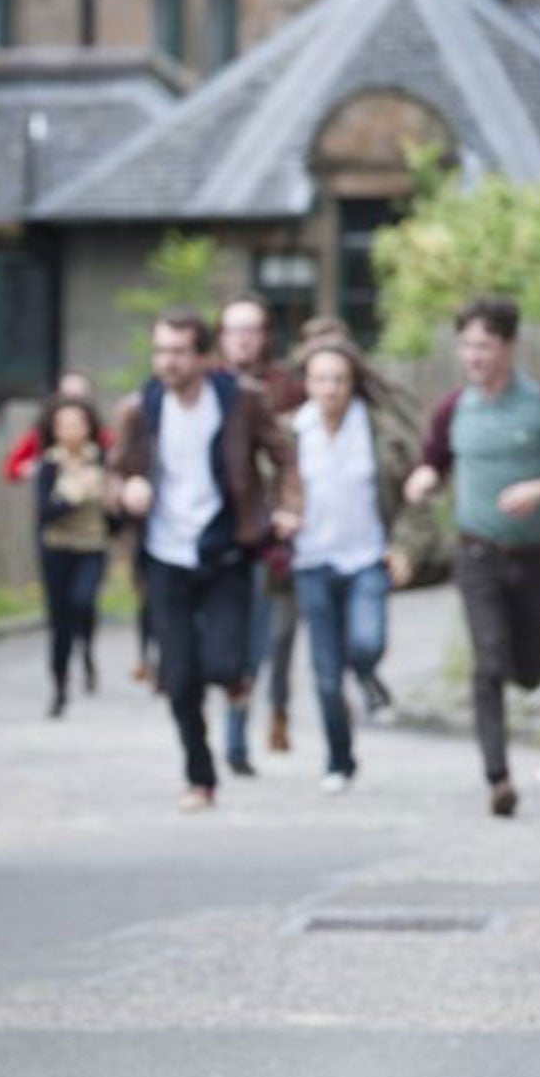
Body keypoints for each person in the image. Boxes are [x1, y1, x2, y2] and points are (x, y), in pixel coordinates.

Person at [113, 308, 300, 810]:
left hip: (227, 551)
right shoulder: (141, 407)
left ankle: (236, 679)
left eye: (177, 352)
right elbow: (114, 472)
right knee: (179, 678)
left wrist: (287, 508)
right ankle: (201, 777)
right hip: (165, 556)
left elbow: (285, 455)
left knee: (222, 663)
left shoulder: (240, 400)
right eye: (160, 351)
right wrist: (126, 487)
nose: (166, 362)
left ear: (202, 356)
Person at [402, 296, 540, 817]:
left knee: (529, 668)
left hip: (534, 555)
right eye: (466, 345)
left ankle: (527, 673)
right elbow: (434, 462)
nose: (473, 356)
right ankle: (498, 777)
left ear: (508, 346)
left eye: (484, 346)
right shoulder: (453, 409)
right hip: (476, 553)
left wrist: (539, 490)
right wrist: (422, 480)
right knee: (489, 660)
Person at [288, 337, 423, 792]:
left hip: (366, 557)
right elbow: (269, 491)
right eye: (321, 379)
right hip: (312, 562)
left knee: (366, 642)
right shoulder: (290, 434)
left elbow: (412, 496)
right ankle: (339, 758)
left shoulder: (379, 430)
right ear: (306, 384)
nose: (330, 388)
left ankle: (365, 675)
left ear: (353, 384)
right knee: (326, 679)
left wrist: (403, 545)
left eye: (339, 379)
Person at [213, 294, 305, 776]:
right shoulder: (206, 388)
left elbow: (300, 461)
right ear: (221, 336)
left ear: (264, 335)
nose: (243, 338)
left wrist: (292, 508)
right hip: (222, 535)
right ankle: (235, 734)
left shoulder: (288, 390)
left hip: (276, 537)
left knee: (277, 632)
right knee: (235, 638)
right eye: (234, 329)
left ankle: (276, 711)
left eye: (251, 329)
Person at [34, 393, 111, 715]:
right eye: (63, 424)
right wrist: (73, 494)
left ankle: (88, 652)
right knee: (59, 620)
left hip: (92, 546)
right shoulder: (49, 465)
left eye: (77, 422)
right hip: (57, 548)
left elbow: (115, 515)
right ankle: (60, 686)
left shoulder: (102, 461)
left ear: (89, 426)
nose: (71, 429)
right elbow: (44, 513)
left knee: (83, 602)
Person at [0, 370, 111, 483]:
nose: (73, 401)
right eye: (68, 395)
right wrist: (36, 469)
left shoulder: (103, 437)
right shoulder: (40, 435)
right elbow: (12, 468)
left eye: (79, 396)